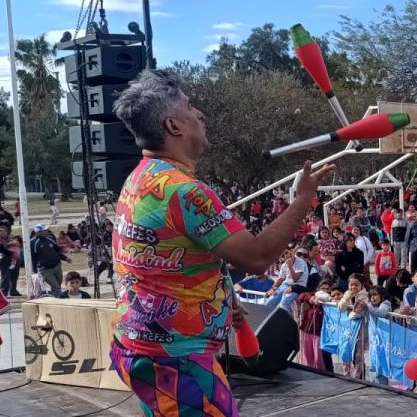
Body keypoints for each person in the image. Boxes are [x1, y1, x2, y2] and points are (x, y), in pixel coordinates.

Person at [108, 69, 334, 417]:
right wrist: (303, 201)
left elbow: (174, 258)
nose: (200, 114)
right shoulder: (184, 190)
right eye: (189, 107)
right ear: (174, 127)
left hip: (145, 347)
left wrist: (220, 300)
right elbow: (257, 257)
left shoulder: (140, 179)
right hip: (176, 360)